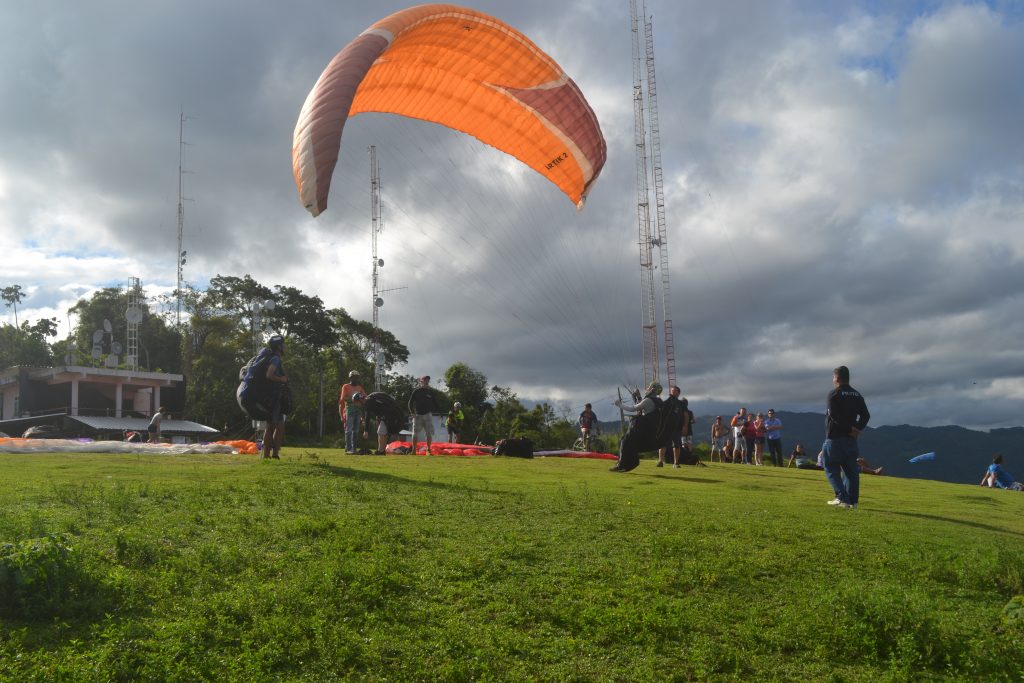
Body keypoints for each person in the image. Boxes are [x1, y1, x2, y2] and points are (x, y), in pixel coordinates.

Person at [822, 365, 870, 508]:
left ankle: (842, 498)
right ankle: (853, 501)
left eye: (833, 377)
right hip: (851, 441)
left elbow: (834, 415)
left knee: (830, 467)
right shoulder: (857, 395)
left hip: (835, 438)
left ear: (836, 377)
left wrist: (848, 429)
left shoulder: (834, 394)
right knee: (851, 471)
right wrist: (857, 430)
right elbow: (866, 415)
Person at [610, 381, 663, 472]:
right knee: (626, 440)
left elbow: (633, 409)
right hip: (652, 430)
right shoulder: (659, 401)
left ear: (653, 389)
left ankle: (622, 465)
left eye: (649, 387)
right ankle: (624, 463)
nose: (647, 388)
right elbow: (645, 409)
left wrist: (619, 404)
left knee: (624, 441)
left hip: (643, 430)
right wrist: (638, 396)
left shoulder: (648, 400)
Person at [262, 335, 289, 460]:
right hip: (273, 398)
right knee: (273, 425)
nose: (285, 346)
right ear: (279, 346)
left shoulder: (271, 358)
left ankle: (273, 454)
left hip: (269, 397)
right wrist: (281, 379)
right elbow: (269, 375)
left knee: (276, 425)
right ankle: (270, 455)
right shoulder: (275, 359)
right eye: (283, 344)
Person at [408, 375, 439, 455]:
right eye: (425, 380)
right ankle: (414, 450)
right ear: (421, 382)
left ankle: (428, 450)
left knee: (429, 433)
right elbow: (410, 403)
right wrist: (412, 412)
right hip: (417, 415)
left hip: (428, 415)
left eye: (428, 380)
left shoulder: (430, 392)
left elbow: (435, 403)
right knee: (415, 433)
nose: (427, 382)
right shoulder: (416, 391)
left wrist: (440, 413)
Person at [658, 387, 686, 468]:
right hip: (667, 428)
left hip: (677, 428)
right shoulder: (667, 401)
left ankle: (676, 463)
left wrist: (685, 426)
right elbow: (661, 411)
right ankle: (660, 461)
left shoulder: (681, 403)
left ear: (678, 393)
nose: (672, 392)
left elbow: (685, 415)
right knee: (663, 444)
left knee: (677, 446)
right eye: (671, 391)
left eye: (674, 391)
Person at [338, 370, 366, 435]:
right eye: (354, 377)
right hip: (350, 410)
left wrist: (362, 398)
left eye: (357, 377)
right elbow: (343, 398)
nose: (355, 379)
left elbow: (365, 397)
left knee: (356, 430)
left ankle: (354, 445)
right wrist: (353, 398)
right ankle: (348, 445)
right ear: (350, 378)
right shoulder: (346, 386)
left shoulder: (359, 387)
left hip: (358, 410)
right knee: (349, 430)